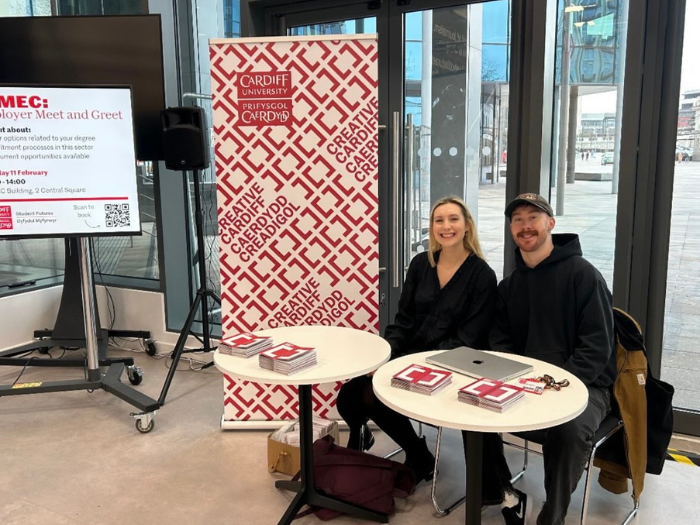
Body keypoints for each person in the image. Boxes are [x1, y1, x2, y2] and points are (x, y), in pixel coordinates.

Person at [336, 196, 497, 482]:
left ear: (467, 226)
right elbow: (403, 320)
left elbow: (469, 337)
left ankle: (417, 456)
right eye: (438, 220)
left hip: (452, 365)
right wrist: (386, 356)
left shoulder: (482, 275)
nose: (445, 226)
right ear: (432, 227)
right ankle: (415, 451)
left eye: (453, 219)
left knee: (376, 395)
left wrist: (416, 363)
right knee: (351, 395)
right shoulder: (421, 263)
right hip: (408, 355)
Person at [485, 193, 616, 525]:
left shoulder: (583, 275)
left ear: (550, 224)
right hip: (527, 386)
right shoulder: (509, 286)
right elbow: (500, 345)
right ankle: (505, 492)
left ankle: (551, 517)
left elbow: (597, 348)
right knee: (476, 409)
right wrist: (520, 384)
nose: (526, 226)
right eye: (518, 220)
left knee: (567, 430)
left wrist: (555, 388)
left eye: (533, 217)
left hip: (586, 388)